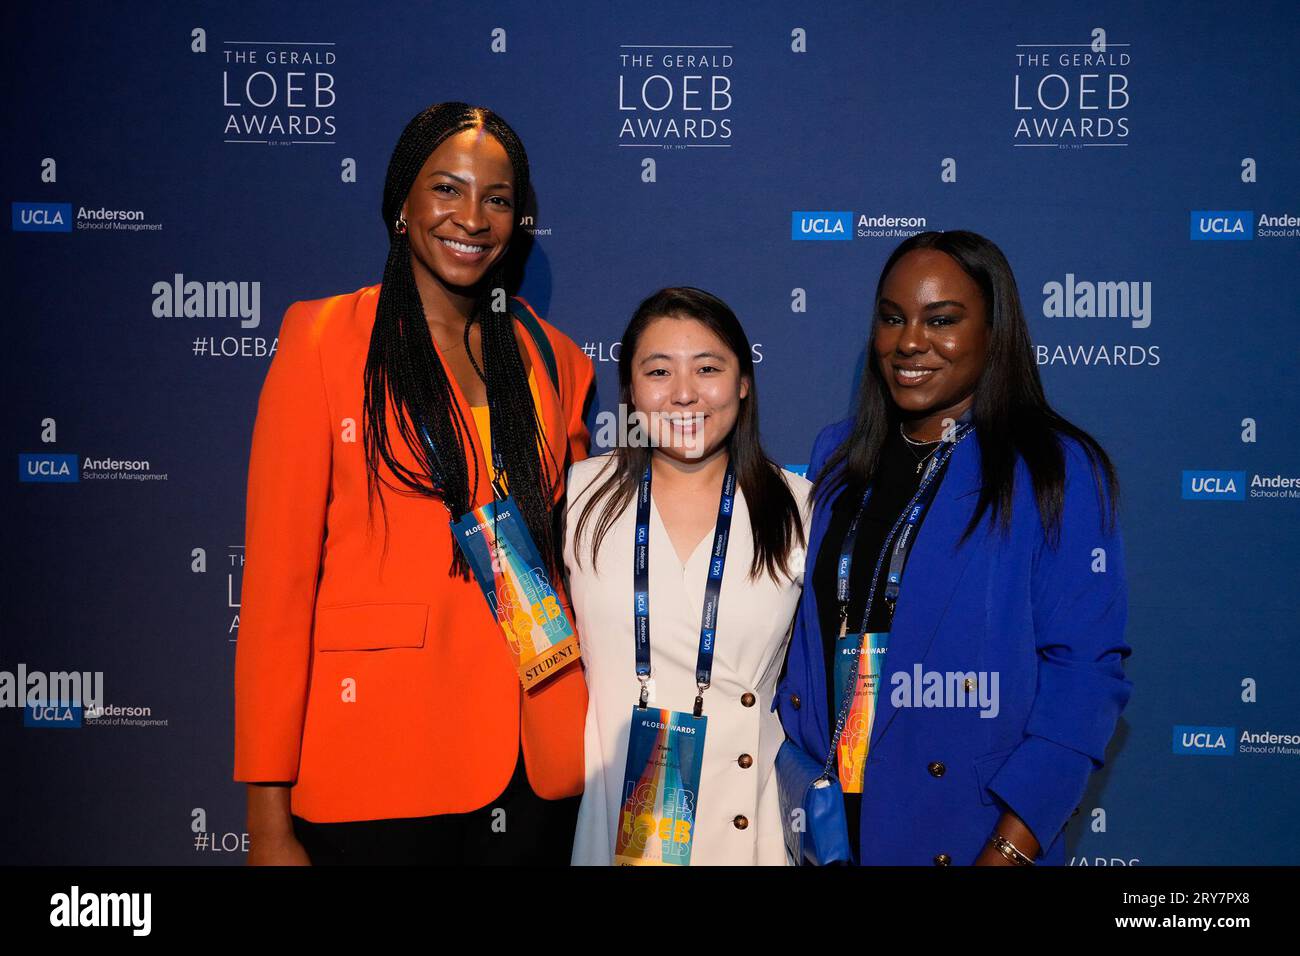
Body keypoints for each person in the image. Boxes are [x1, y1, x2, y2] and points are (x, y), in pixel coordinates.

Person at [233, 102, 596, 865]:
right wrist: (267, 818)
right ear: (402, 203)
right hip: (381, 760)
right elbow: (277, 589)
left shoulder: (552, 357)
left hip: (534, 766)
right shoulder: (324, 342)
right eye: (447, 189)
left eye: (497, 199)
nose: (472, 217)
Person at [776, 230, 1132, 866]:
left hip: (965, 831)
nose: (910, 341)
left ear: (995, 333)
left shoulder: (1055, 469)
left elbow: (1085, 677)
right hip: (830, 824)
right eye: (892, 318)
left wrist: (1009, 849)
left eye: (941, 320)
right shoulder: (838, 452)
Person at [564, 287, 810, 866]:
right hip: (618, 821)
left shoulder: (799, 508)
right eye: (658, 370)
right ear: (630, 389)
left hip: (750, 829)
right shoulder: (578, 497)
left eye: (708, 368)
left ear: (743, 382)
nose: (683, 393)